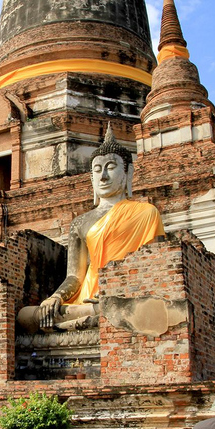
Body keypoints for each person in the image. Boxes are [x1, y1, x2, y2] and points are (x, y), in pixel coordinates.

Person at [19, 124, 164, 333]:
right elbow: (75, 277)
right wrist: (56, 297)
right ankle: (88, 319)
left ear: (128, 172)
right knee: (25, 316)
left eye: (111, 167)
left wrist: (119, 290)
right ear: (91, 177)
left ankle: (93, 318)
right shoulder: (80, 222)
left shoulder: (147, 213)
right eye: (97, 170)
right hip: (85, 302)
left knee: (124, 308)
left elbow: (154, 266)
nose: (103, 176)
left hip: (125, 297)